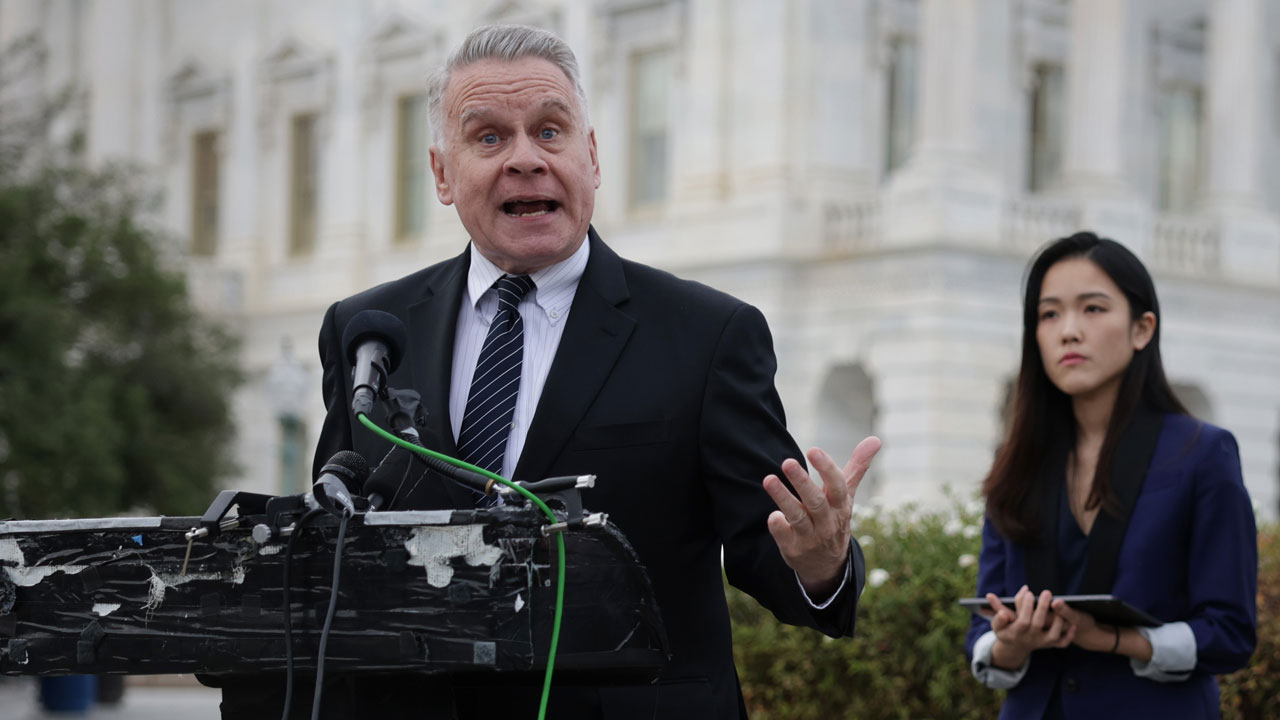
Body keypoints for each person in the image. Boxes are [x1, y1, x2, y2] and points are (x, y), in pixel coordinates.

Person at [257, 23, 878, 720]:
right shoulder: (366, 329)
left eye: (550, 132)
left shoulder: (709, 336)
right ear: (440, 171)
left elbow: (774, 553)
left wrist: (821, 563)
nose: (526, 158)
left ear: (591, 156)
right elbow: (337, 540)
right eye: (489, 137)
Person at [965, 232, 1258, 719]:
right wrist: (1011, 645)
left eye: (1093, 309)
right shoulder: (1016, 463)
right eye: (1049, 314)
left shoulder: (1204, 454)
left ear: (1142, 329)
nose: (1068, 331)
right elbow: (982, 634)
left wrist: (1118, 640)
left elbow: (1230, 633)